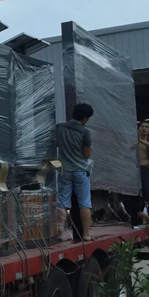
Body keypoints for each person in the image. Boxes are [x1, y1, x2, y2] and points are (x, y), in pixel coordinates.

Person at [55, 103, 94, 242]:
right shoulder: (85, 132)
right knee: (84, 203)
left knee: (62, 202)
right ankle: (86, 234)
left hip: (64, 170)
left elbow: (55, 144)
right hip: (80, 171)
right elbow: (86, 154)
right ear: (84, 117)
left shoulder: (59, 127)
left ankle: (59, 234)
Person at [134, 122, 149, 216]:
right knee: (137, 194)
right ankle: (137, 216)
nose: (144, 128)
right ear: (138, 129)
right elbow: (127, 149)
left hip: (148, 169)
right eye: (142, 126)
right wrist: (137, 141)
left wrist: (141, 141)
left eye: (146, 127)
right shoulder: (134, 140)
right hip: (136, 170)